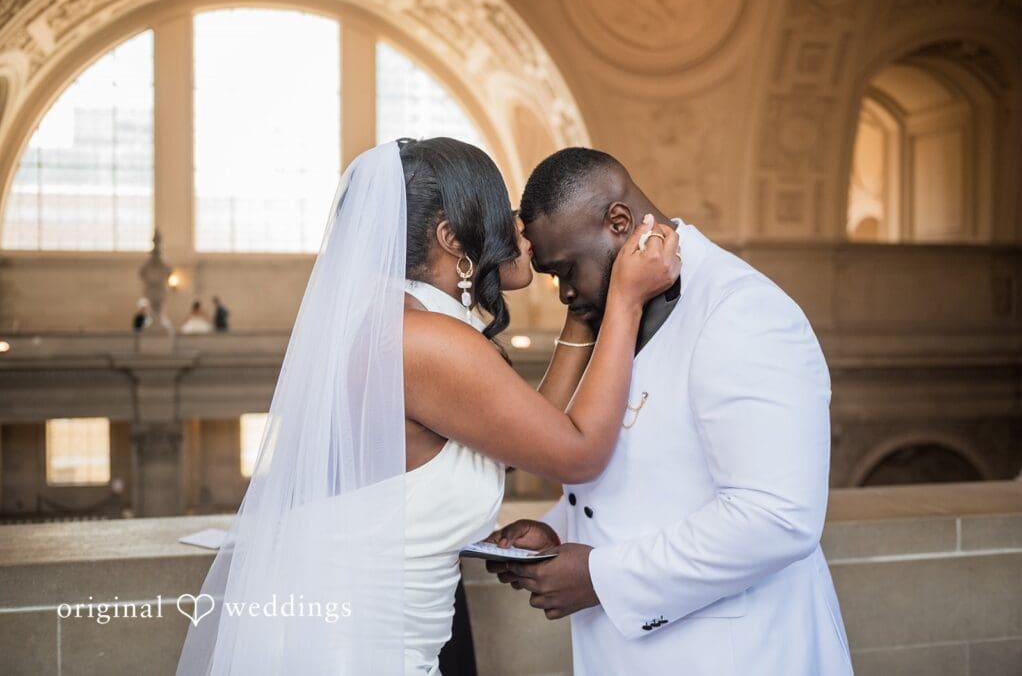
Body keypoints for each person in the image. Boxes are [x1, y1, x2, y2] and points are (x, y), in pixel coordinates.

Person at [176, 138, 679, 675]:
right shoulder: (424, 342)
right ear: (450, 237)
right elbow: (576, 452)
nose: (520, 226)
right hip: (356, 652)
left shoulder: (399, 324)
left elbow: (522, 439)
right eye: (498, 206)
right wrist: (623, 300)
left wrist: (582, 314)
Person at [485, 147, 854, 675]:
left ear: (618, 222)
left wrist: (600, 576)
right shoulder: (610, 317)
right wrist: (559, 532)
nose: (566, 294)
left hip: (736, 656)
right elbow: (645, 480)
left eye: (567, 270)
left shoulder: (741, 311)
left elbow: (778, 517)